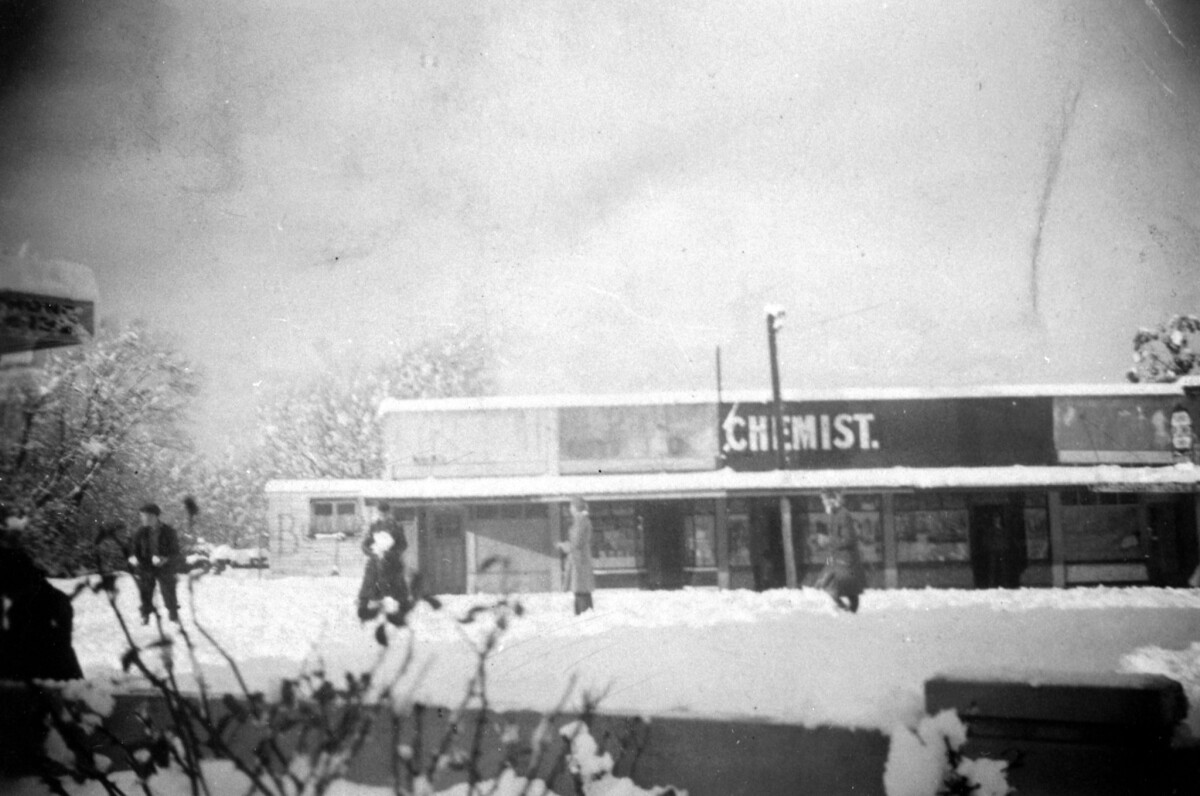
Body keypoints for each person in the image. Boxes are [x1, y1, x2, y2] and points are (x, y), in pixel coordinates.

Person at [129, 503, 183, 624]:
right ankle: (145, 614)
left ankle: (173, 612)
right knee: (145, 590)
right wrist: (135, 558)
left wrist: (166, 559)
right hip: (146, 565)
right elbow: (134, 549)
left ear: (154, 516)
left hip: (165, 566)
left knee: (168, 589)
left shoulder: (169, 532)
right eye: (142, 516)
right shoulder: (140, 532)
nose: (143, 519)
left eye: (146, 516)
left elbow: (176, 551)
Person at [814, 491, 866, 613]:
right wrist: (827, 562)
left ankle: (848, 611)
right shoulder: (834, 515)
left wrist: (829, 541)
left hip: (845, 560)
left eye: (825, 501)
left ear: (832, 501)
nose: (824, 504)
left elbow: (848, 539)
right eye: (823, 501)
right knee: (827, 585)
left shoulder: (843, 515)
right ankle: (845, 609)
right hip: (835, 558)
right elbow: (833, 543)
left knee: (844, 589)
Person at [357, 503, 410, 621]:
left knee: (397, 581)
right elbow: (365, 544)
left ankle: (403, 606)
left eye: (385, 513)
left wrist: (391, 553)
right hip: (376, 558)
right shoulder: (374, 526)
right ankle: (363, 606)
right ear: (378, 513)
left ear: (389, 513)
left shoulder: (396, 526)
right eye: (381, 513)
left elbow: (403, 544)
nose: (383, 515)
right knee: (369, 579)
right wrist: (372, 553)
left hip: (391, 559)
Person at [558, 496, 595, 615]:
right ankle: (585, 614)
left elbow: (577, 542)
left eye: (571, 506)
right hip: (580, 560)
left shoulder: (580, 521)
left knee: (581, 592)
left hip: (579, 561)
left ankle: (583, 616)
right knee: (582, 592)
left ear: (575, 508)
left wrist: (565, 546)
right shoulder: (582, 520)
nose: (570, 509)